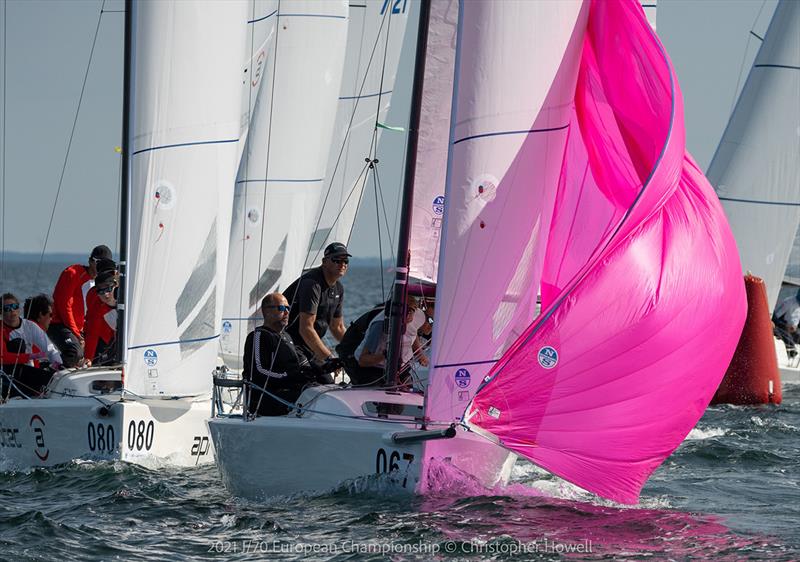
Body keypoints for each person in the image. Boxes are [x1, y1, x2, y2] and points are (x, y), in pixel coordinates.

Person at [244, 293, 341, 417]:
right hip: (267, 399)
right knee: (317, 398)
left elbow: (303, 364)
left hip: (292, 393)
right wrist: (289, 376)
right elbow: (259, 371)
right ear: (266, 312)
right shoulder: (258, 336)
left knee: (332, 393)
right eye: (281, 308)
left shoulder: (287, 337)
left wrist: (324, 368)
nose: (286, 312)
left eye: (288, 308)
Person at [49, 245, 113, 367]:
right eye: (98, 262)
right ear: (90, 261)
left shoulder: (104, 284)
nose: (100, 266)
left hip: (82, 330)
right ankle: (52, 373)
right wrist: (77, 334)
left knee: (104, 356)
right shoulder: (73, 273)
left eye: (105, 263)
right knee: (75, 352)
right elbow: (64, 305)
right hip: (60, 324)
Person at [283, 242, 349, 361]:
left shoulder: (339, 288)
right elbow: (306, 328)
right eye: (337, 260)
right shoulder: (312, 285)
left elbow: (337, 327)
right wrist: (328, 357)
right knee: (316, 379)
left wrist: (358, 349)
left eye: (345, 261)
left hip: (309, 346)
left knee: (327, 379)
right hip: (290, 344)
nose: (342, 264)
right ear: (324, 262)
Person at [2, 293, 61, 398]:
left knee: (54, 377)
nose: (12, 311)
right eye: (7, 308)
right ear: (1, 312)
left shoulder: (30, 326)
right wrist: (30, 356)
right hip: (8, 375)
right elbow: (3, 358)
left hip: (28, 371)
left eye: (14, 307)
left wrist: (58, 367)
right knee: (17, 343)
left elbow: (50, 350)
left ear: (18, 309)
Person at [84, 269, 118, 365]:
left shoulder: (128, 298)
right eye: (101, 292)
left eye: (108, 289)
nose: (106, 295)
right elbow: (92, 334)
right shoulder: (98, 308)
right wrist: (88, 359)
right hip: (109, 338)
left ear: (115, 285)